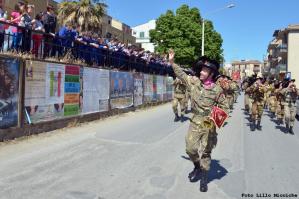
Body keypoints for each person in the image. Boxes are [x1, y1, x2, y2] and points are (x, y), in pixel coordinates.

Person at [169, 50, 229, 192]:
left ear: (211, 74)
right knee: (190, 148)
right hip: (195, 120)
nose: (201, 72)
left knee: (206, 152)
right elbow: (182, 75)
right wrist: (172, 62)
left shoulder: (217, 90)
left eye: (205, 70)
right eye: (201, 69)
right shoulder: (194, 82)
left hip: (209, 122)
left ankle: (204, 178)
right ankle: (197, 165)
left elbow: (225, 107)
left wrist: (215, 121)